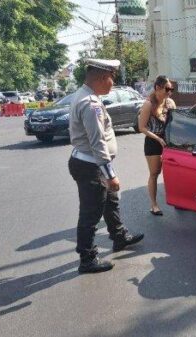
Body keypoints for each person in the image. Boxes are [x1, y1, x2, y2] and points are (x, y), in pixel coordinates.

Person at [68, 58, 144, 274]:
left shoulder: (85, 95)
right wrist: (110, 175)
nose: (113, 82)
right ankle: (87, 258)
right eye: (112, 77)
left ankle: (119, 236)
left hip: (92, 163)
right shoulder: (90, 104)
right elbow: (97, 141)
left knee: (110, 201)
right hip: (92, 165)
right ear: (102, 77)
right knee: (90, 214)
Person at [137, 75, 176, 215]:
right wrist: (158, 139)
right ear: (157, 88)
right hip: (153, 141)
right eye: (167, 89)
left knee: (173, 172)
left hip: (168, 141)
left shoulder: (170, 103)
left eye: (171, 89)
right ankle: (154, 205)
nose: (169, 92)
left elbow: (174, 123)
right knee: (154, 173)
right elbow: (142, 128)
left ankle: (178, 200)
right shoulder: (148, 104)